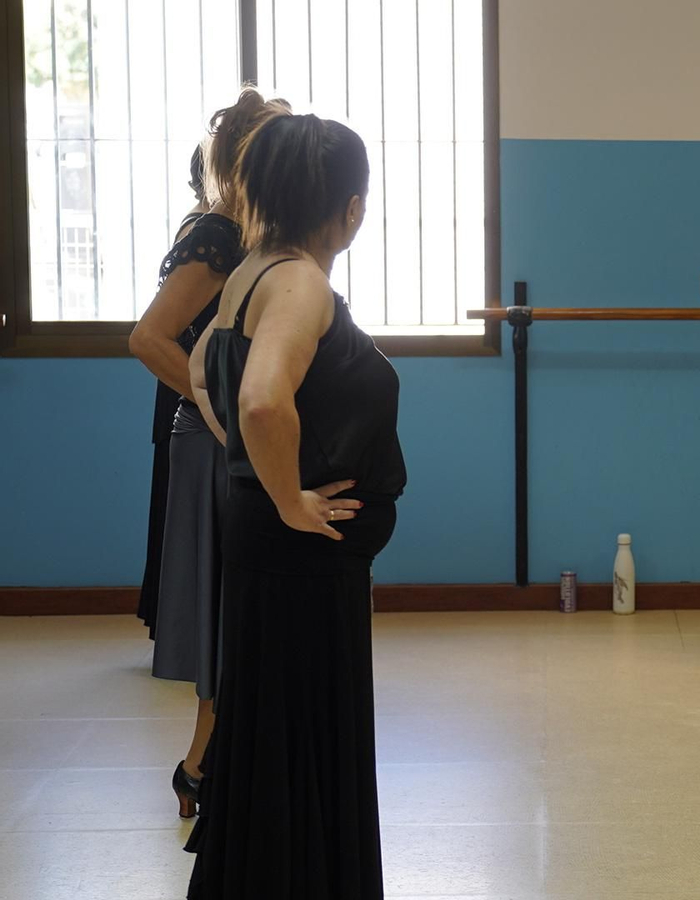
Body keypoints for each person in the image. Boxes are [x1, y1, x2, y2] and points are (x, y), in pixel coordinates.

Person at [185, 113, 404, 899]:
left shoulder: (251, 269)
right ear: (348, 207)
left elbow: (204, 370)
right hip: (302, 557)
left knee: (273, 732)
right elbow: (261, 402)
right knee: (302, 735)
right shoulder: (302, 282)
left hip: (273, 549)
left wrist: (255, 480)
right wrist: (289, 500)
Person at [130, 87, 289, 819]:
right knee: (230, 608)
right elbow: (149, 338)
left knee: (245, 611)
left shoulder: (252, 237)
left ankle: (209, 762)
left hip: (228, 441)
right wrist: (216, 408)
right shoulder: (217, 236)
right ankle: (204, 765)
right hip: (211, 448)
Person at [137, 145, 212, 639]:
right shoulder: (205, 231)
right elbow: (157, 332)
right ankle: (176, 624)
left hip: (194, 375)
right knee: (178, 505)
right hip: (188, 380)